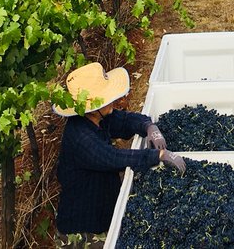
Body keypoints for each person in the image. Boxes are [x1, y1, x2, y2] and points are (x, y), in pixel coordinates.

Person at [54, 62, 186, 245]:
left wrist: (149, 126)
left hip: (103, 211)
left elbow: (124, 121)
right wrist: (159, 155)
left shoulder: (98, 117)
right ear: (92, 106)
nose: (113, 101)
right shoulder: (80, 137)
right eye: (107, 97)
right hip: (83, 231)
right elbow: (113, 157)